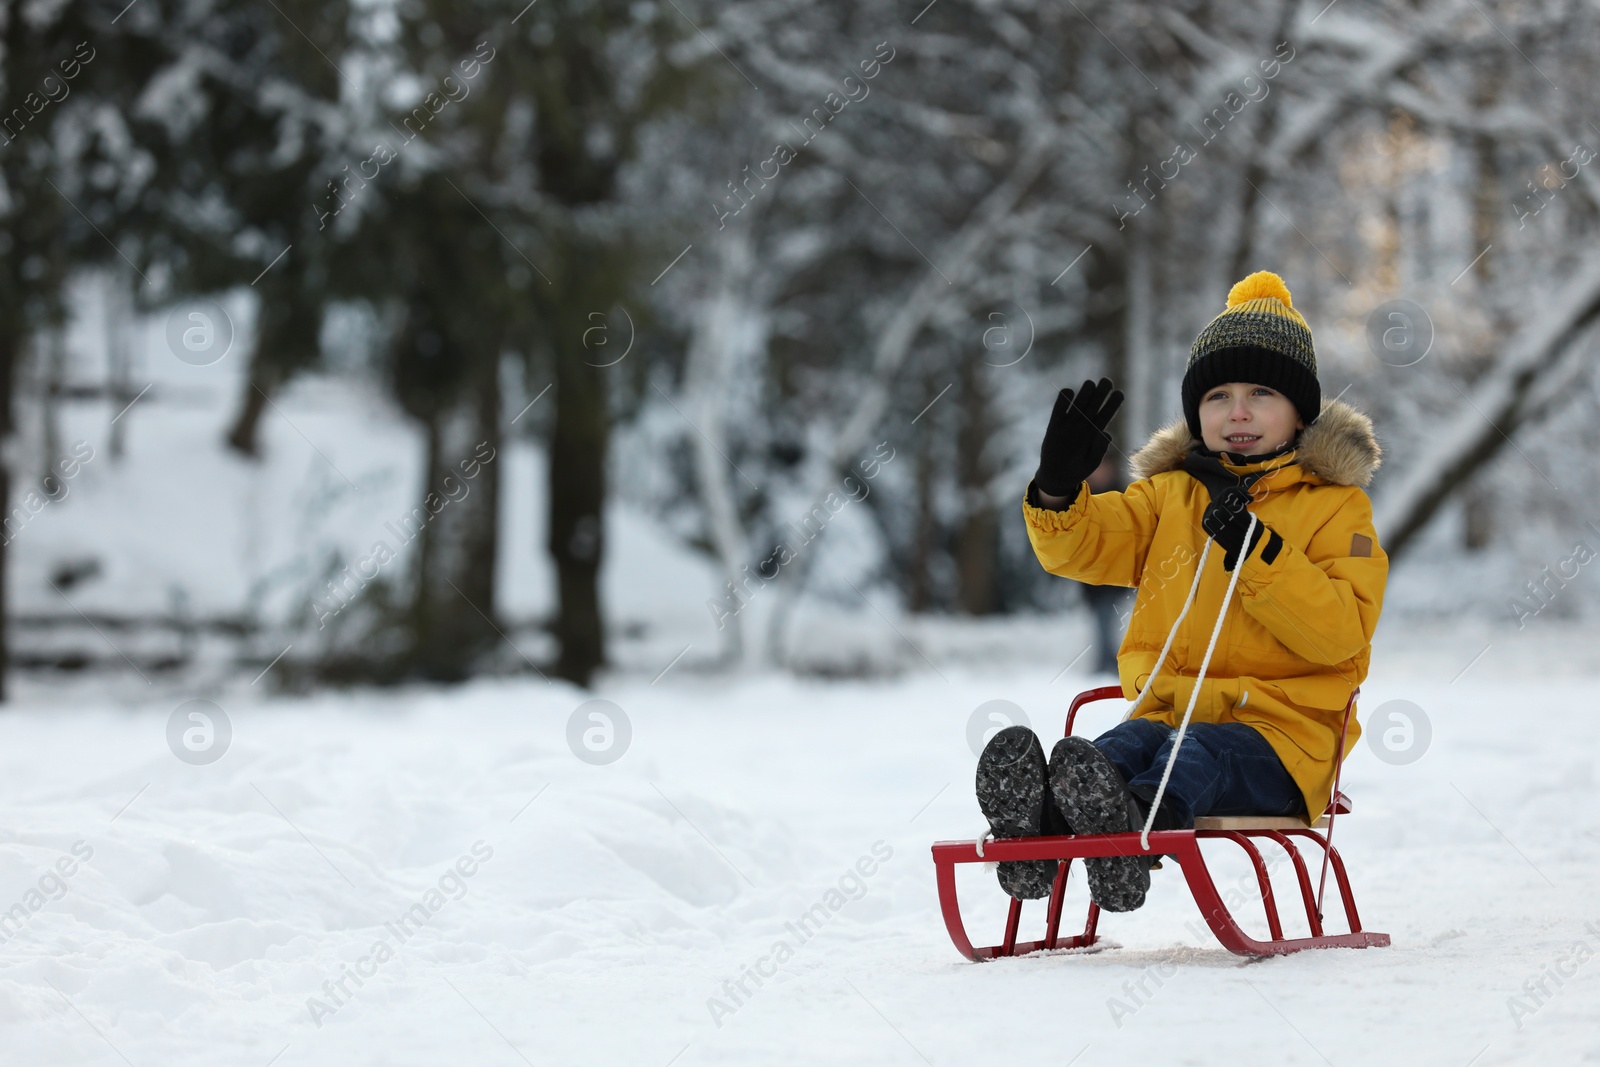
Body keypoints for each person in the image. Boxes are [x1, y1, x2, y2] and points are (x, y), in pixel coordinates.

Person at [975, 270, 1388, 913]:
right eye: (1218, 395)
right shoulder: (1170, 497)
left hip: (1281, 740)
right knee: (1116, 749)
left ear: (1300, 411)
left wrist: (1260, 553)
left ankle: (1125, 837)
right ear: (1197, 410)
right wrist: (1057, 489)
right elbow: (1083, 546)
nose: (1238, 412)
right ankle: (1042, 832)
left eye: (1260, 392)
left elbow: (1339, 633)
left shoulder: (1337, 509)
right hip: (1169, 715)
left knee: (1190, 754)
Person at [1080, 457, 1132, 675]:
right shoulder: (1083, 498)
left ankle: (1109, 664)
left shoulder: (1123, 496)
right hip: (1092, 579)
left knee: (1111, 621)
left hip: (1118, 575)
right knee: (1102, 622)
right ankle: (1107, 664)